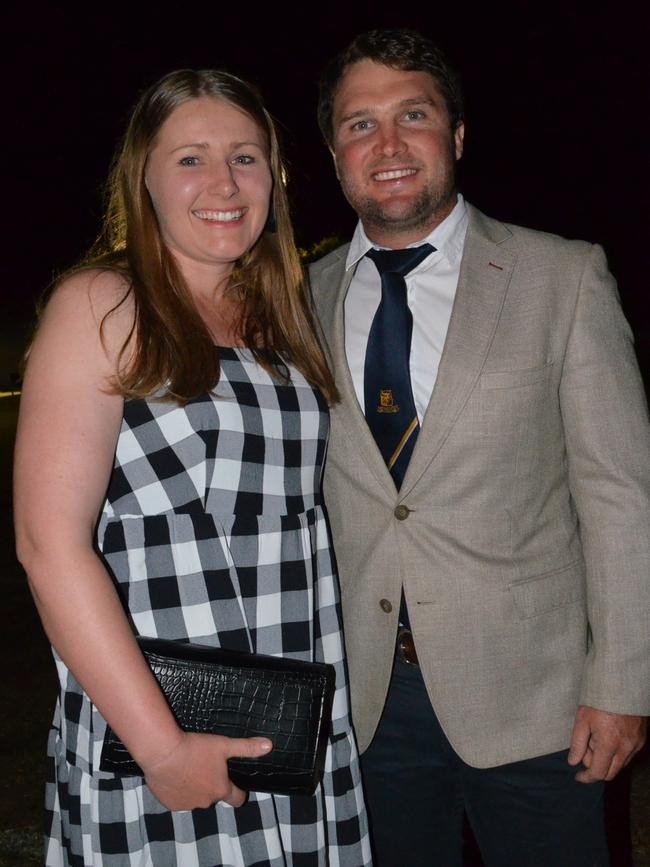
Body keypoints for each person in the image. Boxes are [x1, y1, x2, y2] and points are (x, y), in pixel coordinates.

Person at [309, 28, 650, 867]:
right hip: (367, 701)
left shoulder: (562, 277)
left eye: (412, 115)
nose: (386, 145)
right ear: (334, 153)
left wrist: (622, 684)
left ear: (455, 136)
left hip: (538, 701)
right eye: (359, 124)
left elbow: (620, 495)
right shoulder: (298, 296)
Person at [14, 68, 371, 867]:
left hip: (293, 708)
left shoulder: (279, 317)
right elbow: (48, 544)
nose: (223, 182)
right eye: (190, 158)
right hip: (162, 712)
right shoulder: (105, 302)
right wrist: (160, 745)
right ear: (143, 176)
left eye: (246, 157)